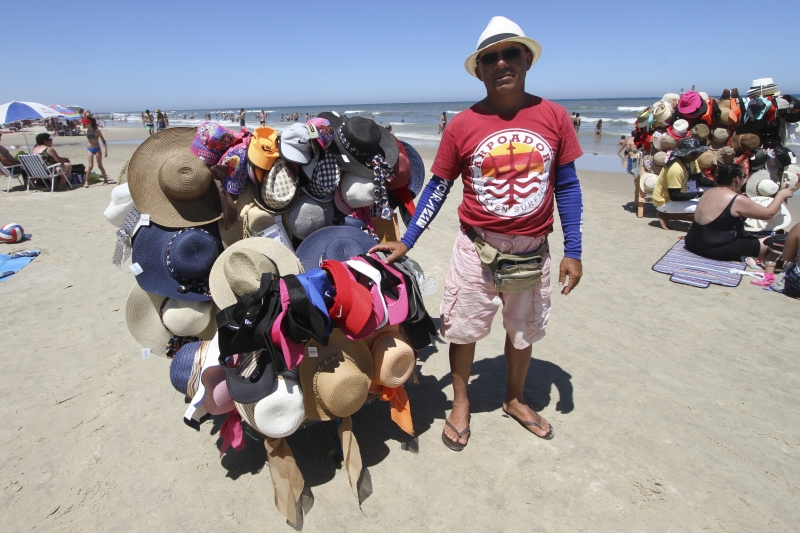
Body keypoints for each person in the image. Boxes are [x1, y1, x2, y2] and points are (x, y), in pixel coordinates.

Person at [370, 16, 583, 450]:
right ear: (479, 70)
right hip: (476, 248)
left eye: (510, 53)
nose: (501, 63)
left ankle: (514, 398)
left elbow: (567, 185)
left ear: (527, 59)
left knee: (523, 331)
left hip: (533, 250)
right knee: (463, 330)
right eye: (490, 58)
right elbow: (438, 186)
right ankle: (461, 402)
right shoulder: (463, 124)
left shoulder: (555, 116)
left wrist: (573, 249)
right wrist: (408, 240)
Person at [685, 164, 794, 261]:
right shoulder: (737, 199)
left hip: (692, 242)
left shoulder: (708, 192)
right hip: (714, 248)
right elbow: (768, 214)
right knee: (772, 242)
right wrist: (781, 195)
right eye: (743, 177)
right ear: (737, 179)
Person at [651, 137, 707, 216]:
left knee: (711, 193)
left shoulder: (692, 160)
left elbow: (700, 178)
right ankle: (666, 215)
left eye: (697, 152)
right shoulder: (675, 168)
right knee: (704, 208)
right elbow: (675, 196)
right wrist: (700, 194)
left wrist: (716, 185)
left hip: (682, 191)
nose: (695, 155)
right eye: (692, 153)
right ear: (684, 154)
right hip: (666, 202)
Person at [85, 117, 109, 187]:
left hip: (97, 148)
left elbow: (103, 140)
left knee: (100, 165)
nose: (84, 124)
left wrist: (105, 150)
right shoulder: (85, 130)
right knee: (90, 166)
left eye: (85, 123)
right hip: (89, 149)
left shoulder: (97, 130)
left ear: (89, 123)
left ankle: (105, 180)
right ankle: (86, 182)